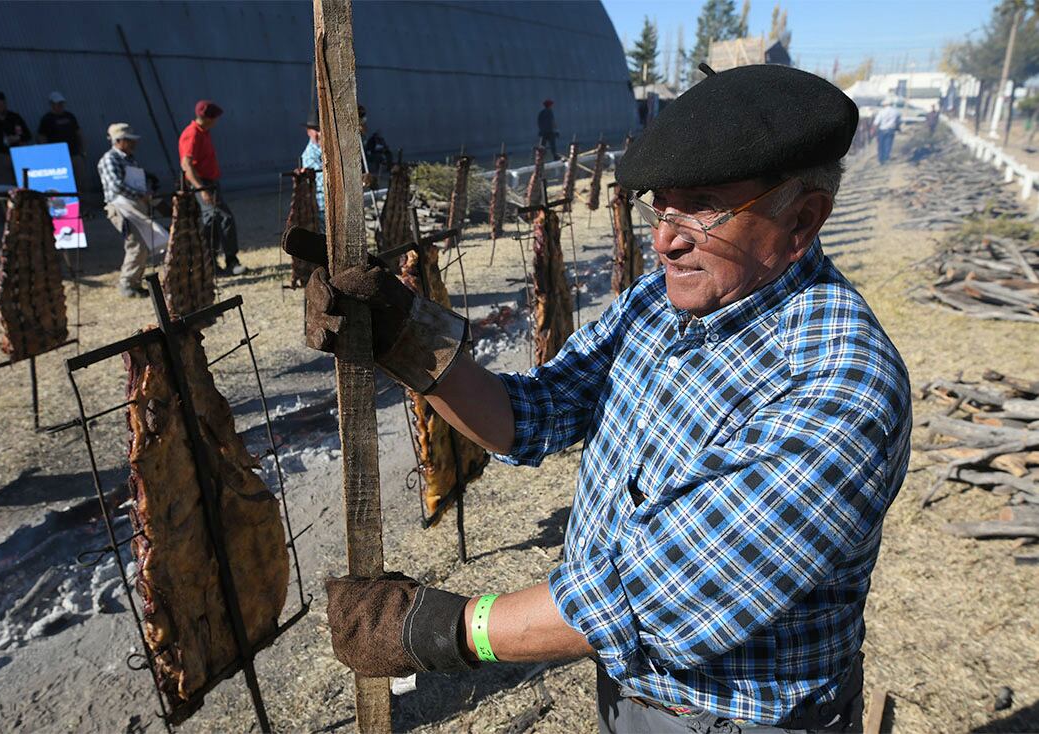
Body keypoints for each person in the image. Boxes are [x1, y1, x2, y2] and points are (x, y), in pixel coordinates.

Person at [293, 63, 910, 734]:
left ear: (803, 220)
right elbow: (532, 414)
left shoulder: (841, 385)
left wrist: (438, 629)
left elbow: (655, 599)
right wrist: (408, 338)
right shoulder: (658, 302)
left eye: (704, 208)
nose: (667, 239)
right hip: (627, 689)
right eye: (662, 204)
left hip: (738, 718)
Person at [97, 123, 168, 298]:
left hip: (135, 205)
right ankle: (127, 283)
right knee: (135, 244)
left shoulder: (130, 159)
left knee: (142, 244)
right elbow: (116, 186)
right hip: (121, 207)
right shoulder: (109, 159)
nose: (134, 144)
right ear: (119, 141)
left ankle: (135, 283)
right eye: (129, 140)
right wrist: (141, 194)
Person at [179, 100, 245, 275]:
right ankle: (228, 261)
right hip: (202, 183)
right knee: (223, 218)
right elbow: (186, 165)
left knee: (213, 222)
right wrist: (202, 189)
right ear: (208, 118)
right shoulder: (192, 134)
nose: (217, 121)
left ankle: (212, 265)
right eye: (215, 118)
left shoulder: (203, 132)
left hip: (209, 183)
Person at [38, 91, 87, 191]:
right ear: (52, 104)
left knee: (80, 179)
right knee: (62, 180)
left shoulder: (70, 116)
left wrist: (83, 150)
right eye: (57, 103)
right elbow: (41, 137)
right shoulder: (47, 119)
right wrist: (47, 154)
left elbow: (79, 133)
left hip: (74, 153)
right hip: (57, 156)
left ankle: (82, 200)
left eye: (61, 103)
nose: (60, 106)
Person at [300, 116, 326, 231]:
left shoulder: (324, 150)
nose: (320, 133)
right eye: (316, 130)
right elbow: (322, 179)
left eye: (321, 130)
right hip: (321, 205)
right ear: (309, 132)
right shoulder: (309, 155)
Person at [872, 99, 902, 164]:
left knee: (881, 145)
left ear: (884, 105)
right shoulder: (896, 112)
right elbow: (898, 122)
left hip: (882, 130)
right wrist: (898, 129)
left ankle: (881, 159)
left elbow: (876, 122)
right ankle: (886, 158)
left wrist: (873, 130)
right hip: (891, 130)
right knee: (888, 144)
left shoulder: (881, 112)